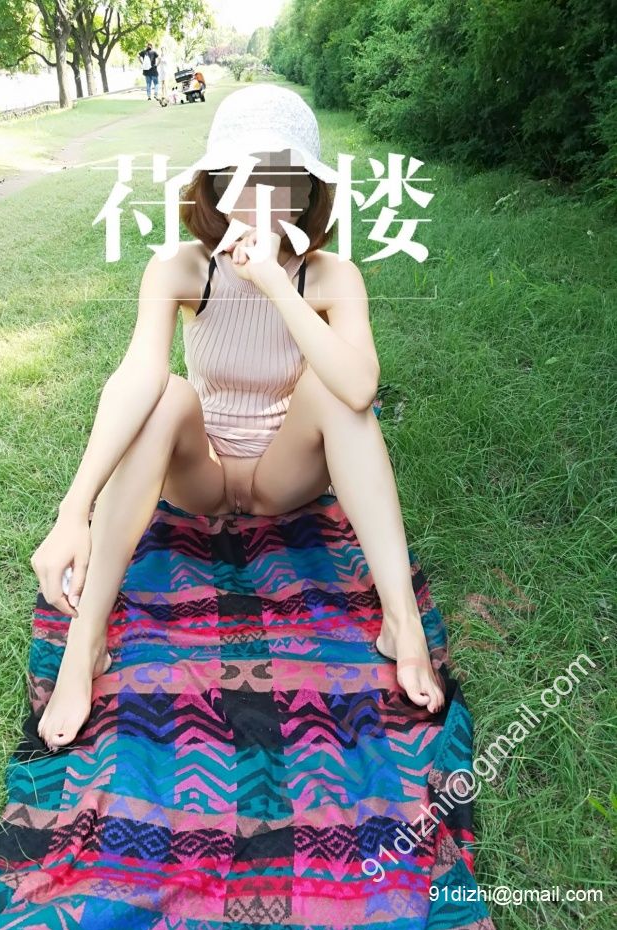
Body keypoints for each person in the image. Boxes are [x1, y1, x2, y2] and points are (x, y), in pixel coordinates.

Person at [32, 84, 445, 752]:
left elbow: (360, 387)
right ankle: (86, 645)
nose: (262, 198)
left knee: (337, 395)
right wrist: (72, 510)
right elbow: (137, 379)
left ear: (308, 193)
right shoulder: (180, 266)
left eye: (283, 179)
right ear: (216, 187)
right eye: (244, 179)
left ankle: (402, 622)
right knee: (166, 395)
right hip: (203, 473)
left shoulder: (333, 275)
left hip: (285, 475)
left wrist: (277, 283)